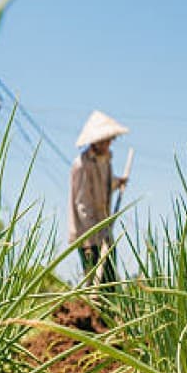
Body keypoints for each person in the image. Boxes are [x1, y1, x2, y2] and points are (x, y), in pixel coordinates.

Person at [68, 110, 129, 286]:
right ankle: (91, 313)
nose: (110, 143)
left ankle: (109, 313)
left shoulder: (106, 161)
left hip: (105, 231)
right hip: (88, 235)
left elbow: (104, 185)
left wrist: (118, 182)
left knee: (109, 280)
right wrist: (90, 239)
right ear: (97, 141)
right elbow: (83, 205)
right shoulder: (81, 165)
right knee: (94, 281)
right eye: (107, 140)